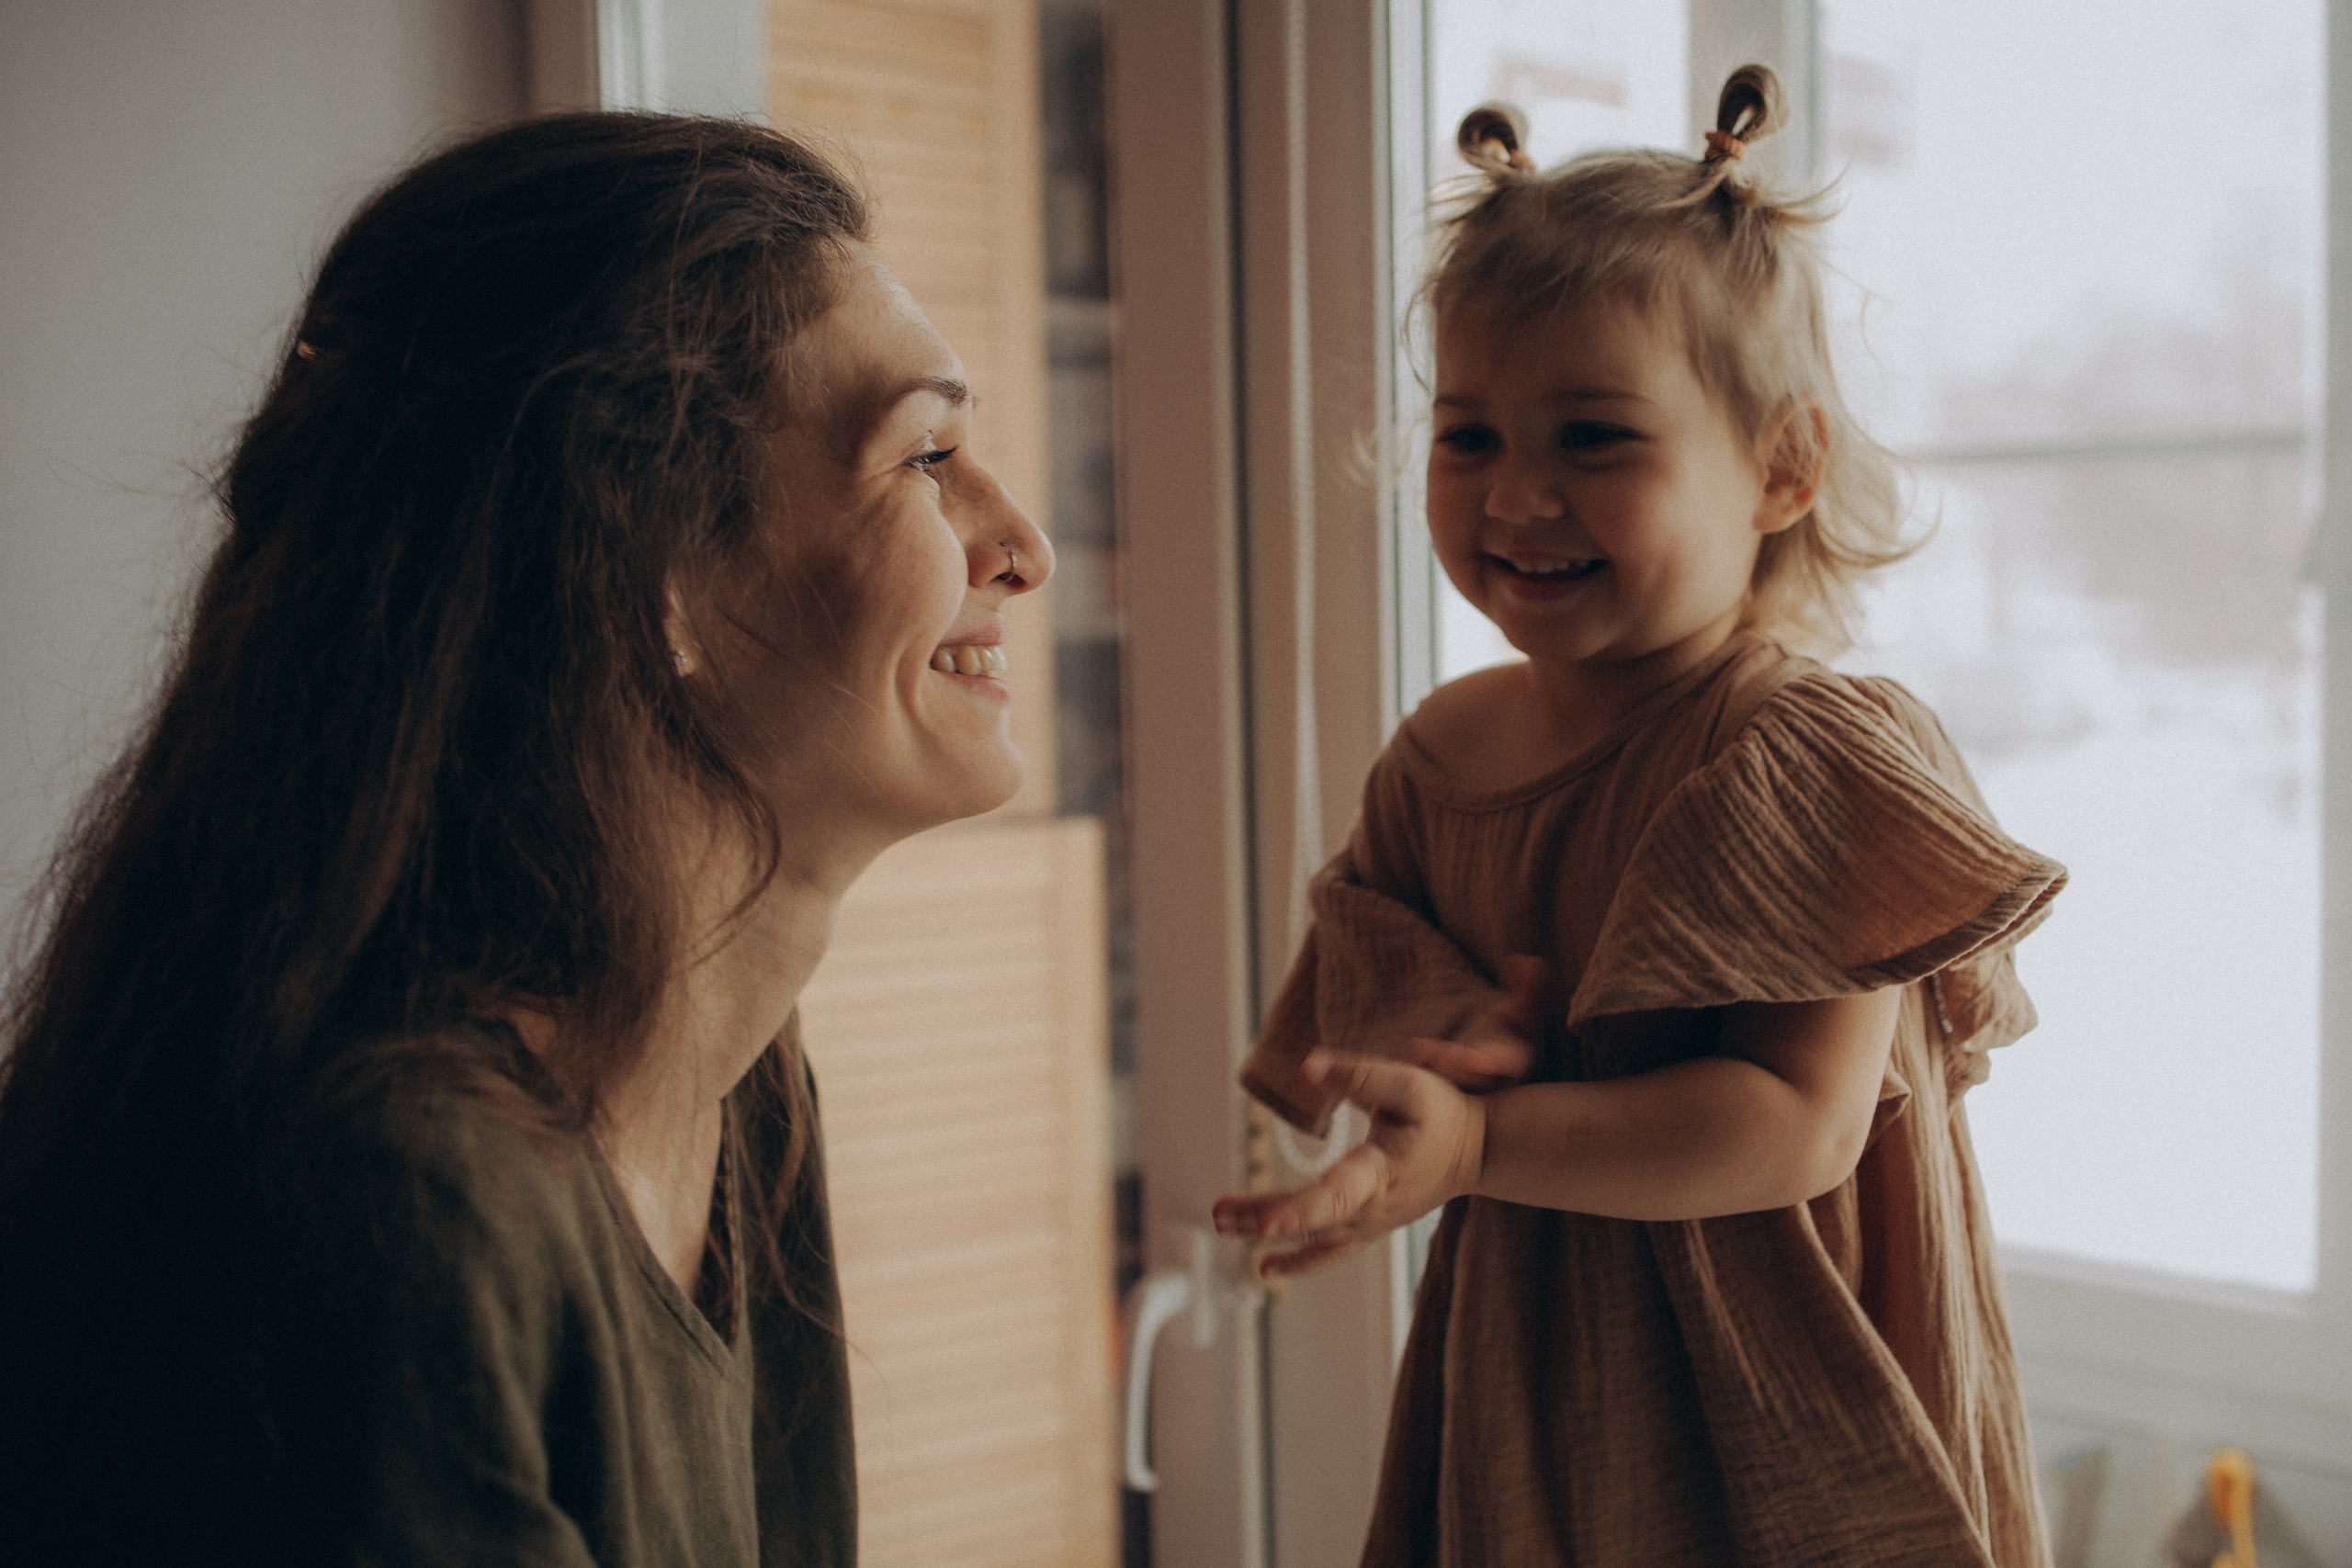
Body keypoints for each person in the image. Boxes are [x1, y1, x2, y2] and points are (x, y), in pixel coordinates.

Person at [0, 113, 1050, 1566]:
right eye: (927, 456)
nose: (1021, 545)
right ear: (658, 569)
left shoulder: (738, 1091)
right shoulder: (405, 1211)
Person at [1214, 67, 2065, 1568]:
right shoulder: (1438, 756)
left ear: (1781, 468)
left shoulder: (1798, 750)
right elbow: (1383, 1000)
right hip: (1536, 1374)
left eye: (1594, 439)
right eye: (1469, 436)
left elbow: (1793, 1123)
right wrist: (1402, 1124)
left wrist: (1478, 1142)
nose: (1517, 496)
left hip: (1781, 1388)